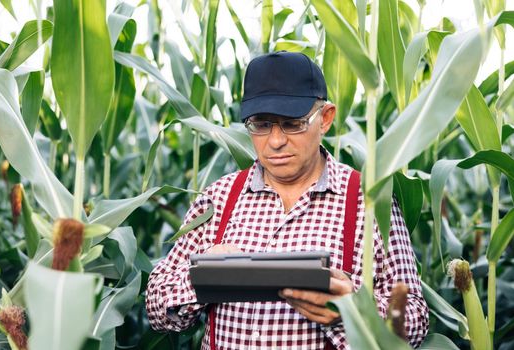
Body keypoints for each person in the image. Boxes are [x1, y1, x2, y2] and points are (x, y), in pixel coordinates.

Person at [146, 51, 429, 349]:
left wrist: (353, 309)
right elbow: (157, 309)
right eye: (261, 124)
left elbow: (415, 320)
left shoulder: (369, 203)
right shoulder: (218, 199)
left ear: (326, 118)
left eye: (293, 124)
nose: (276, 140)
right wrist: (201, 278)